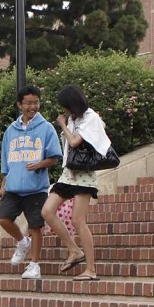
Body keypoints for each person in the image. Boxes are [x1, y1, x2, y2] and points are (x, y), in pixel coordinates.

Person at [41, 84, 110, 281]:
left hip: (85, 173)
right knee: (47, 211)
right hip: (69, 172)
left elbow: (74, 142)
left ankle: (91, 269)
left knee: (78, 220)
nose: (64, 111)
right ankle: (74, 249)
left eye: (66, 107)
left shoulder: (91, 118)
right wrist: (67, 122)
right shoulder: (74, 118)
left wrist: (62, 124)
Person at [0, 85, 63, 279]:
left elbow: (55, 158)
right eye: (28, 103)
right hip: (13, 187)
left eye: (36, 103)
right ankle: (22, 242)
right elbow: (7, 163)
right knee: (3, 218)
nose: (32, 107)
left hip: (36, 189)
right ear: (20, 105)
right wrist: (2, 186)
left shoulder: (46, 128)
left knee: (35, 226)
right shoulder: (11, 130)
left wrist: (39, 164)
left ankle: (34, 265)